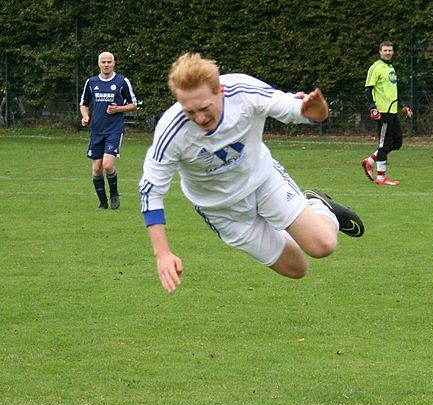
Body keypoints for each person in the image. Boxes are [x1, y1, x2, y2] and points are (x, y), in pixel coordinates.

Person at [138, 52, 364, 294]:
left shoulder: (244, 92)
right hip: (222, 212)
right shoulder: (171, 131)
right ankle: (295, 217)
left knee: (323, 245)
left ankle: (318, 205)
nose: (199, 118)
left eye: (204, 108)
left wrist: (317, 111)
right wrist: (162, 254)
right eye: (189, 111)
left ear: (220, 91)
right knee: (297, 268)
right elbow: (150, 191)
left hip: (263, 182)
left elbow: (299, 110)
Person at [80, 51, 138, 210]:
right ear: (98, 64)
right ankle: (103, 202)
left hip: (114, 130)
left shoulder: (122, 81)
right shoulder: (91, 82)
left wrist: (119, 108)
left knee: (107, 165)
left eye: (109, 62)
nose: (106, 64)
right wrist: (85, 116)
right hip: (96, 130)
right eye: (103, 62)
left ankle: (114, 195)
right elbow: (84, 104)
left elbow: (133, 104)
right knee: (96, 169)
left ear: (114, 63)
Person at [360, 41, 412, 186]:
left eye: (390, 50)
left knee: (397, 142)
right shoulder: (375, 67)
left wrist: (403, 105)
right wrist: (372, 107)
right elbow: (368, 89)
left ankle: (369, 162)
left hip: (392, 110)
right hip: (382, 112)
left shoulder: (391, 68)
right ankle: (381, 177)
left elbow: (393, 91)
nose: (388, 52)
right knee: (384, 144)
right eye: (385, 50)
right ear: (380, 52)